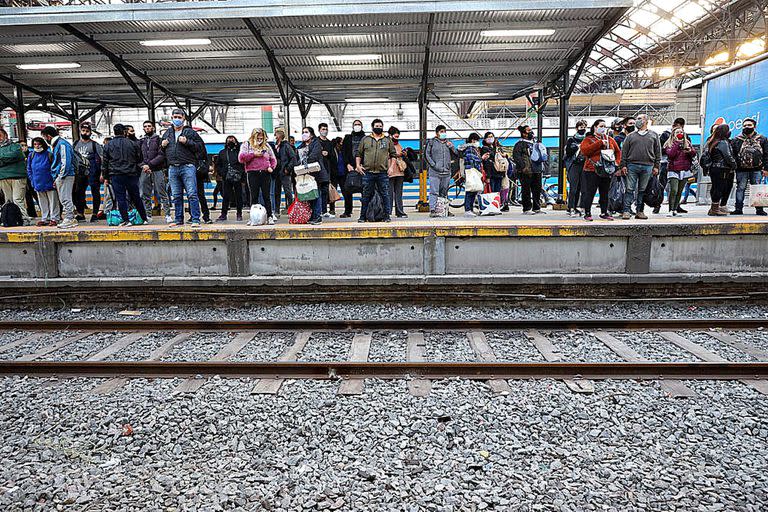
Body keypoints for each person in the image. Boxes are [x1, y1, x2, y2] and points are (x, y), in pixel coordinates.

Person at [161, 108, 204, 228]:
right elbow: (161, 152)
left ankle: (195, 219)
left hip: (187, 166)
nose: (177, 119)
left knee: (192, 194)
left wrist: (187, 142)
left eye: (179, 117)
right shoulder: (167, 133)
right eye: (175, 117)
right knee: (176, 195)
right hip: (172, 167)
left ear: (184, 119)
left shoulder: (190, 133)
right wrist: (162, 146)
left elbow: (200, 147)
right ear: (172, 118)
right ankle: (178, 219)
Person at [102, 124, 148, 227]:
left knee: (120, 198)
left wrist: (105, 177)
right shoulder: (133, 144)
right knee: (136, 196)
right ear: (124, 132)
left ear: (114, 132)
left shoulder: (108, 145)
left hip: (116, 175)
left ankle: (126, 220)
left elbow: (105, 163)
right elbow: (139, 159)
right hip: (131, 174)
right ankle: (144, 218)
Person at [619, 113, 660, 220]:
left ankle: (640, 211)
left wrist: (656, 166)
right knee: (629, 188)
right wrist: (623, 165)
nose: (637, 121)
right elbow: (624, 152)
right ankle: (626, 210)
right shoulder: (630, 136)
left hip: (648, 166)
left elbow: (657, 152)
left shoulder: (654, 135)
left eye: (639, 119)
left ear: (646, 121)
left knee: (643, 190)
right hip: (632, 165)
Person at [580, 119, 622, 221]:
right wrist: (599, 143)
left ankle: (604, 212)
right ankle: (587, 212)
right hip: (591, 170)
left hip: (606, 170)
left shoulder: (610, 139)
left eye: (604, 126)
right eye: (601, 126)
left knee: (605, 192)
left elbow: (618, 152)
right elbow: (585, 151)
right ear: (595, 127)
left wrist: (617, 163)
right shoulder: (588, 139)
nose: (603, 128)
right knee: (590, 192)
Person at [357, 119, 396, 222]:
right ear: (372, 127)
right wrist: (358, 165)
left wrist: (391, 167)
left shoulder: (387, 140)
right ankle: (362, 217)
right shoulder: (365, 139)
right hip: (368, 172)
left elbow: (393, 155)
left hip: (382, 173)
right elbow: (358, 154)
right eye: (376, 126)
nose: (378, 127)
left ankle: (387, 216)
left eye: (380, 126)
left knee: (385, 195)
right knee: (365, 195)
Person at [41, 126, 77, 228]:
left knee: (65, 198)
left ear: (48, 136)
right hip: (63, 175)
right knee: (64, 198)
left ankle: (70, 218)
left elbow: (65, 162)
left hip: (65, 175)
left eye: (44, 137)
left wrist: (60, 176)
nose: (45, 140)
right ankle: (70, 217)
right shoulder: (59, 144)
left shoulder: (61, 145)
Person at [731, 117, 768, 216]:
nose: (746, 127)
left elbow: (766, 154)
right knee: (740, 188)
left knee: (757, 188)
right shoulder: (736, 140)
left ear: (754, 127)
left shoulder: (763, 139)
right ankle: (738, 208)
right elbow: (733, 155)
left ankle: (759, 209)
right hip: (741, 170)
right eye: (745, 125)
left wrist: (766, 169)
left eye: (749, 125)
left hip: (757, 169)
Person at [240, 127, 277, 225]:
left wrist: (271, 168)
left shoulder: (267, 146)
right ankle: (253, 217)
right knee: (254, 196)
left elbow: (273, 159)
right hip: (252, 172)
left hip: (265, 173)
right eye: (258, 138)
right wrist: (253, 154)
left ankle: (269, 216)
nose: (260, 140)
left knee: (266, 196)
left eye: (262, 138)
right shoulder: (246, 145)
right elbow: (241, 158)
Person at [139, 120, 171, 224]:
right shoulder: (141, 141)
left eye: (149, 126)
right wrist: (143, 165)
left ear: (153, 128)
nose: (147, 128)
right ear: (143, 128)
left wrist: (150, 165)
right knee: (145, 194)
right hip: (145, 170)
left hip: (157, 170)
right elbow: (138, 156)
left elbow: (161, 155)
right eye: (145, 126)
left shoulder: (159, 140)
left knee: (162, 192)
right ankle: (148, 216)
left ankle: (167, 215)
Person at [663, 126, 696, 217]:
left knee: (679, 191)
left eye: (681, 132)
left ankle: (675, 209)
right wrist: (677, 143)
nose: (679, 134)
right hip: (673, 170)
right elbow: (670, 155)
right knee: (674, 190)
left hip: (685, 169)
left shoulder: (687, 142)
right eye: (677, 132)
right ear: (673, 134)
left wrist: (689, 151)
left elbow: (693, 153)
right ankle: (670, 209)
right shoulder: (669, 143)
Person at [73, 123, 103, 222]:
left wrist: (102, 173)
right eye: (83, 131)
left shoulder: (95, 145)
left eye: (87, 131)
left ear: (90, 132)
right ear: (80, 131)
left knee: (95, 192)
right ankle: (80, 213)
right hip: (79, 173)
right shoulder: (75, 144)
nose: (85, 133)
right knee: (78, 193)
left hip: (93, 172)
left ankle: (95, 214)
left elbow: (102, 159)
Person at [0, 127, 30, 225]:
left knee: (18, 199)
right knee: (8, 200)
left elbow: (15, 155)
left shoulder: (16, 146)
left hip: (18, 176)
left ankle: (23, 218)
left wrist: (2, 160)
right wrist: (7, 159)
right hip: (3, 177)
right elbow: (11, 157)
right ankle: (10, 219)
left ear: (5, 135)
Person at [424, 125, 456, 217]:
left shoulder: (449, 143)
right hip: (435, 172)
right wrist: (434, 165)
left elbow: (457, 154)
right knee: (434, 191)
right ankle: (433, 210)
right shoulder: (431, 142)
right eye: (441, 131)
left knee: (444, 192)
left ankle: (444, 210)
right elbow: (426, 155)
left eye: (444, 131)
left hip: (446, 172)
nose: (443, 133)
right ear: (437, 133)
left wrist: (452, 147)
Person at [705, 123, 737, 216]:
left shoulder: (713, 141)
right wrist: (734, 165)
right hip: (722, 168)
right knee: (719, 188)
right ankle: (715, 209)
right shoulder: (723, 142)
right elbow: (728, 156)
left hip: (714, 168)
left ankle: (714, 208)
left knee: (716, 187)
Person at [26, 137, 59, 226]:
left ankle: (54, 218)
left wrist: (55, 179)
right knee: (42, 201)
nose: (37, 146)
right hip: (37, 182)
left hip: (50, 182)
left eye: (39, 144)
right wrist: (32, 180)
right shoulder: (31, 155)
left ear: (43, 144)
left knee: (53, 201)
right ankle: (45, 218)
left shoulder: (49, 154)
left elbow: (54, 167)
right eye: (35, 144)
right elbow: (29, 169)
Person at [297, 126, 326, 225]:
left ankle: (317, 216)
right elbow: (297, 157)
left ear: (311, 134)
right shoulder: (300, 146)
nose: (304, 134)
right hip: (305, 174)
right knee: (309, 195)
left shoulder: (316, 143)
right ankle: (312, 216)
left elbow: (314, 156)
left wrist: (304, 161)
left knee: (316, 194)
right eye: (303, 132)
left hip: (316, 174)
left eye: (306, 132)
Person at [512, 125, 543, 214]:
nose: (531, 132)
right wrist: (523, 167)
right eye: (528, 131)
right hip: (526, 170)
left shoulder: (535, 143)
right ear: (523, 134)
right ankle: (527, 208)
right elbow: (516, 157)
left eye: (531, 130)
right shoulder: (519, 144)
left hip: (536, 169)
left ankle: (537, 207)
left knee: (537, 189)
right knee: (526, 189)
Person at [340, 120, 366, 218]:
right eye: (355, 124)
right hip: (350, 167)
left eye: (359, 124)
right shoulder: (348, 138)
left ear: (362, 126)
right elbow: (344, 152)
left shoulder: (366, 138)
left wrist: (362, 165)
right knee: (347, 189)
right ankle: (347, 211)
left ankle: (365, 210)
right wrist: (347, 164)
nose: (357, 126)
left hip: (363, 167)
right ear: (352, 126)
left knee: (364, 189)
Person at [215, 136, 245, 222]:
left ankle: (239, 213)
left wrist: (242, 176)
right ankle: (223, 214)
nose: (230, 141)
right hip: (226, 178)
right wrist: (222, 173)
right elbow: (218, 165)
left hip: (237, 178)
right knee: (226, 196)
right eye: (229, 140)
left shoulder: (239, 153)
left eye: (232, 140)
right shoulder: (222, 152)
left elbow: (243, 165)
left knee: (239, 196)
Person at [564, 120, 587, 216]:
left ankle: (582, 207)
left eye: (584, 127)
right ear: (577, 128)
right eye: (581, 127)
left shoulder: (588, 139)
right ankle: (571, 207)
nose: (583, 128)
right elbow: (568, 152)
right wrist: (577, 147)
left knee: (584, 188)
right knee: (574, 188)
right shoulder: (571, 140)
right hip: (574, 165)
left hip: (585, 165)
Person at [273, 128, 296, 214]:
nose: (275, 136)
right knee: (277, 192)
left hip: (284, 172)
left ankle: (291, 209)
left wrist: (288, 168)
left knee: (288, 192)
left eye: (276, 134)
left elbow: (293, 158)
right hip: (276, 172)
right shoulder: (275, 146)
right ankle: (276, 210)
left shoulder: (286, 146)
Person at [387, 126, 408, 218]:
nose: (397, 138)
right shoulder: (386, 144)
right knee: (389, 193)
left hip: (400, 171)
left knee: (399, 193)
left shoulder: (399, 145)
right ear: (390, 135)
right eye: (395, 136)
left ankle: (400, 211)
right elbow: (385, 155)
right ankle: (388, 211)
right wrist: (397, 154)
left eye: (398, 136)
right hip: (390, 171)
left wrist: (404, 154)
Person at [461, 132, 483, 217]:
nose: (477, 142)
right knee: (470, 190)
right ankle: (467, 209)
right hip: (471, 171)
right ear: (473, 140)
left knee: (474, 190)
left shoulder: (474, 148)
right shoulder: (470, 148)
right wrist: (481, 159)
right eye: (477, 140)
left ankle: (470, 209)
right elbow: (470, 158)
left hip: (473, 171)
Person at [316, 123, 335, 218]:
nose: (325, 131)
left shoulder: (329, 143)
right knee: (316, 191)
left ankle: (324, 210)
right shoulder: (315, 141)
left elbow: (333, 157)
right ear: (319, 130)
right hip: (316, 169)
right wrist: (320, 152)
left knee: (324, 191)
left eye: (326, 129)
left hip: (326, 169)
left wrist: (328, 154)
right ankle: (317, 211)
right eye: (323, 129)